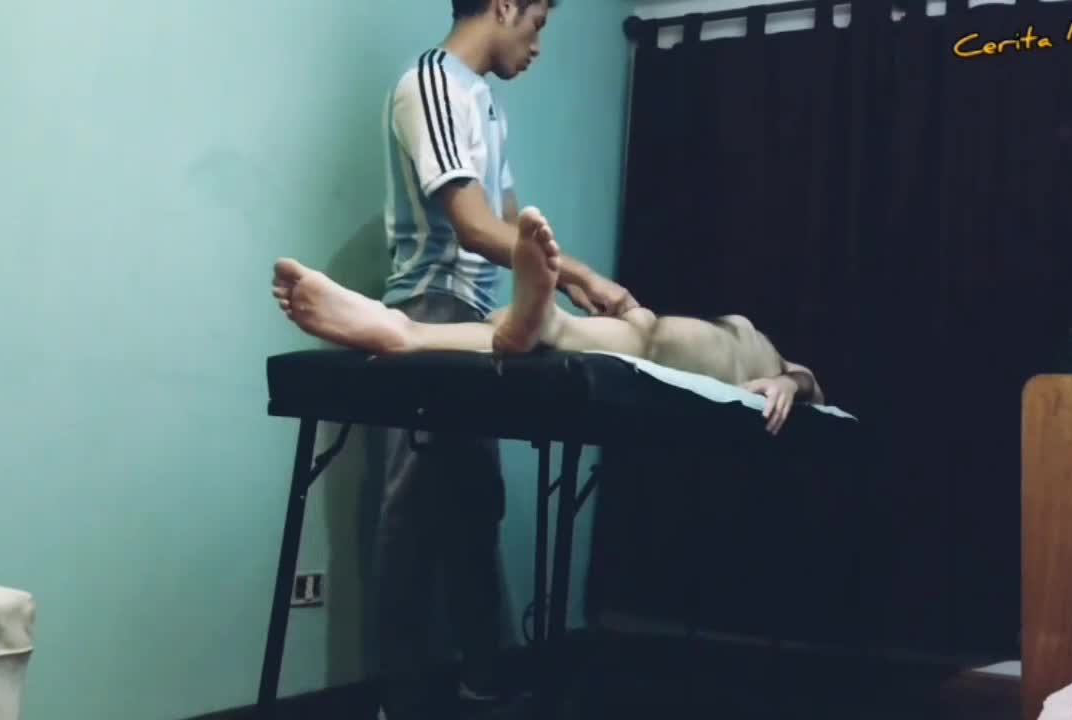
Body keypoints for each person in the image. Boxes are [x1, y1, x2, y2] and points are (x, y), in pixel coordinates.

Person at [367, 1, 639, 716]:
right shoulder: (429, 83)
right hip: (429, 307)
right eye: (538, 21)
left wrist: (555, 291)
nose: (538, 43)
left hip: (483, 317)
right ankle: (395, 697)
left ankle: (482, 677)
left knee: (475, 502)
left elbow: (514, 224)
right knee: (409, 510)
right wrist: (579, 275)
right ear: (505, 4)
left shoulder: (485, 103)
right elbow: (472, 225)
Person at [273, 207, 826, 438]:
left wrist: (787, 382)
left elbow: (814, 385)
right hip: (660, 337)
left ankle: (413, 329)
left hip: (718, 360)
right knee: (636, 333)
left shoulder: (770, 360)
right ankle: (404, 330)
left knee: (643, 336)